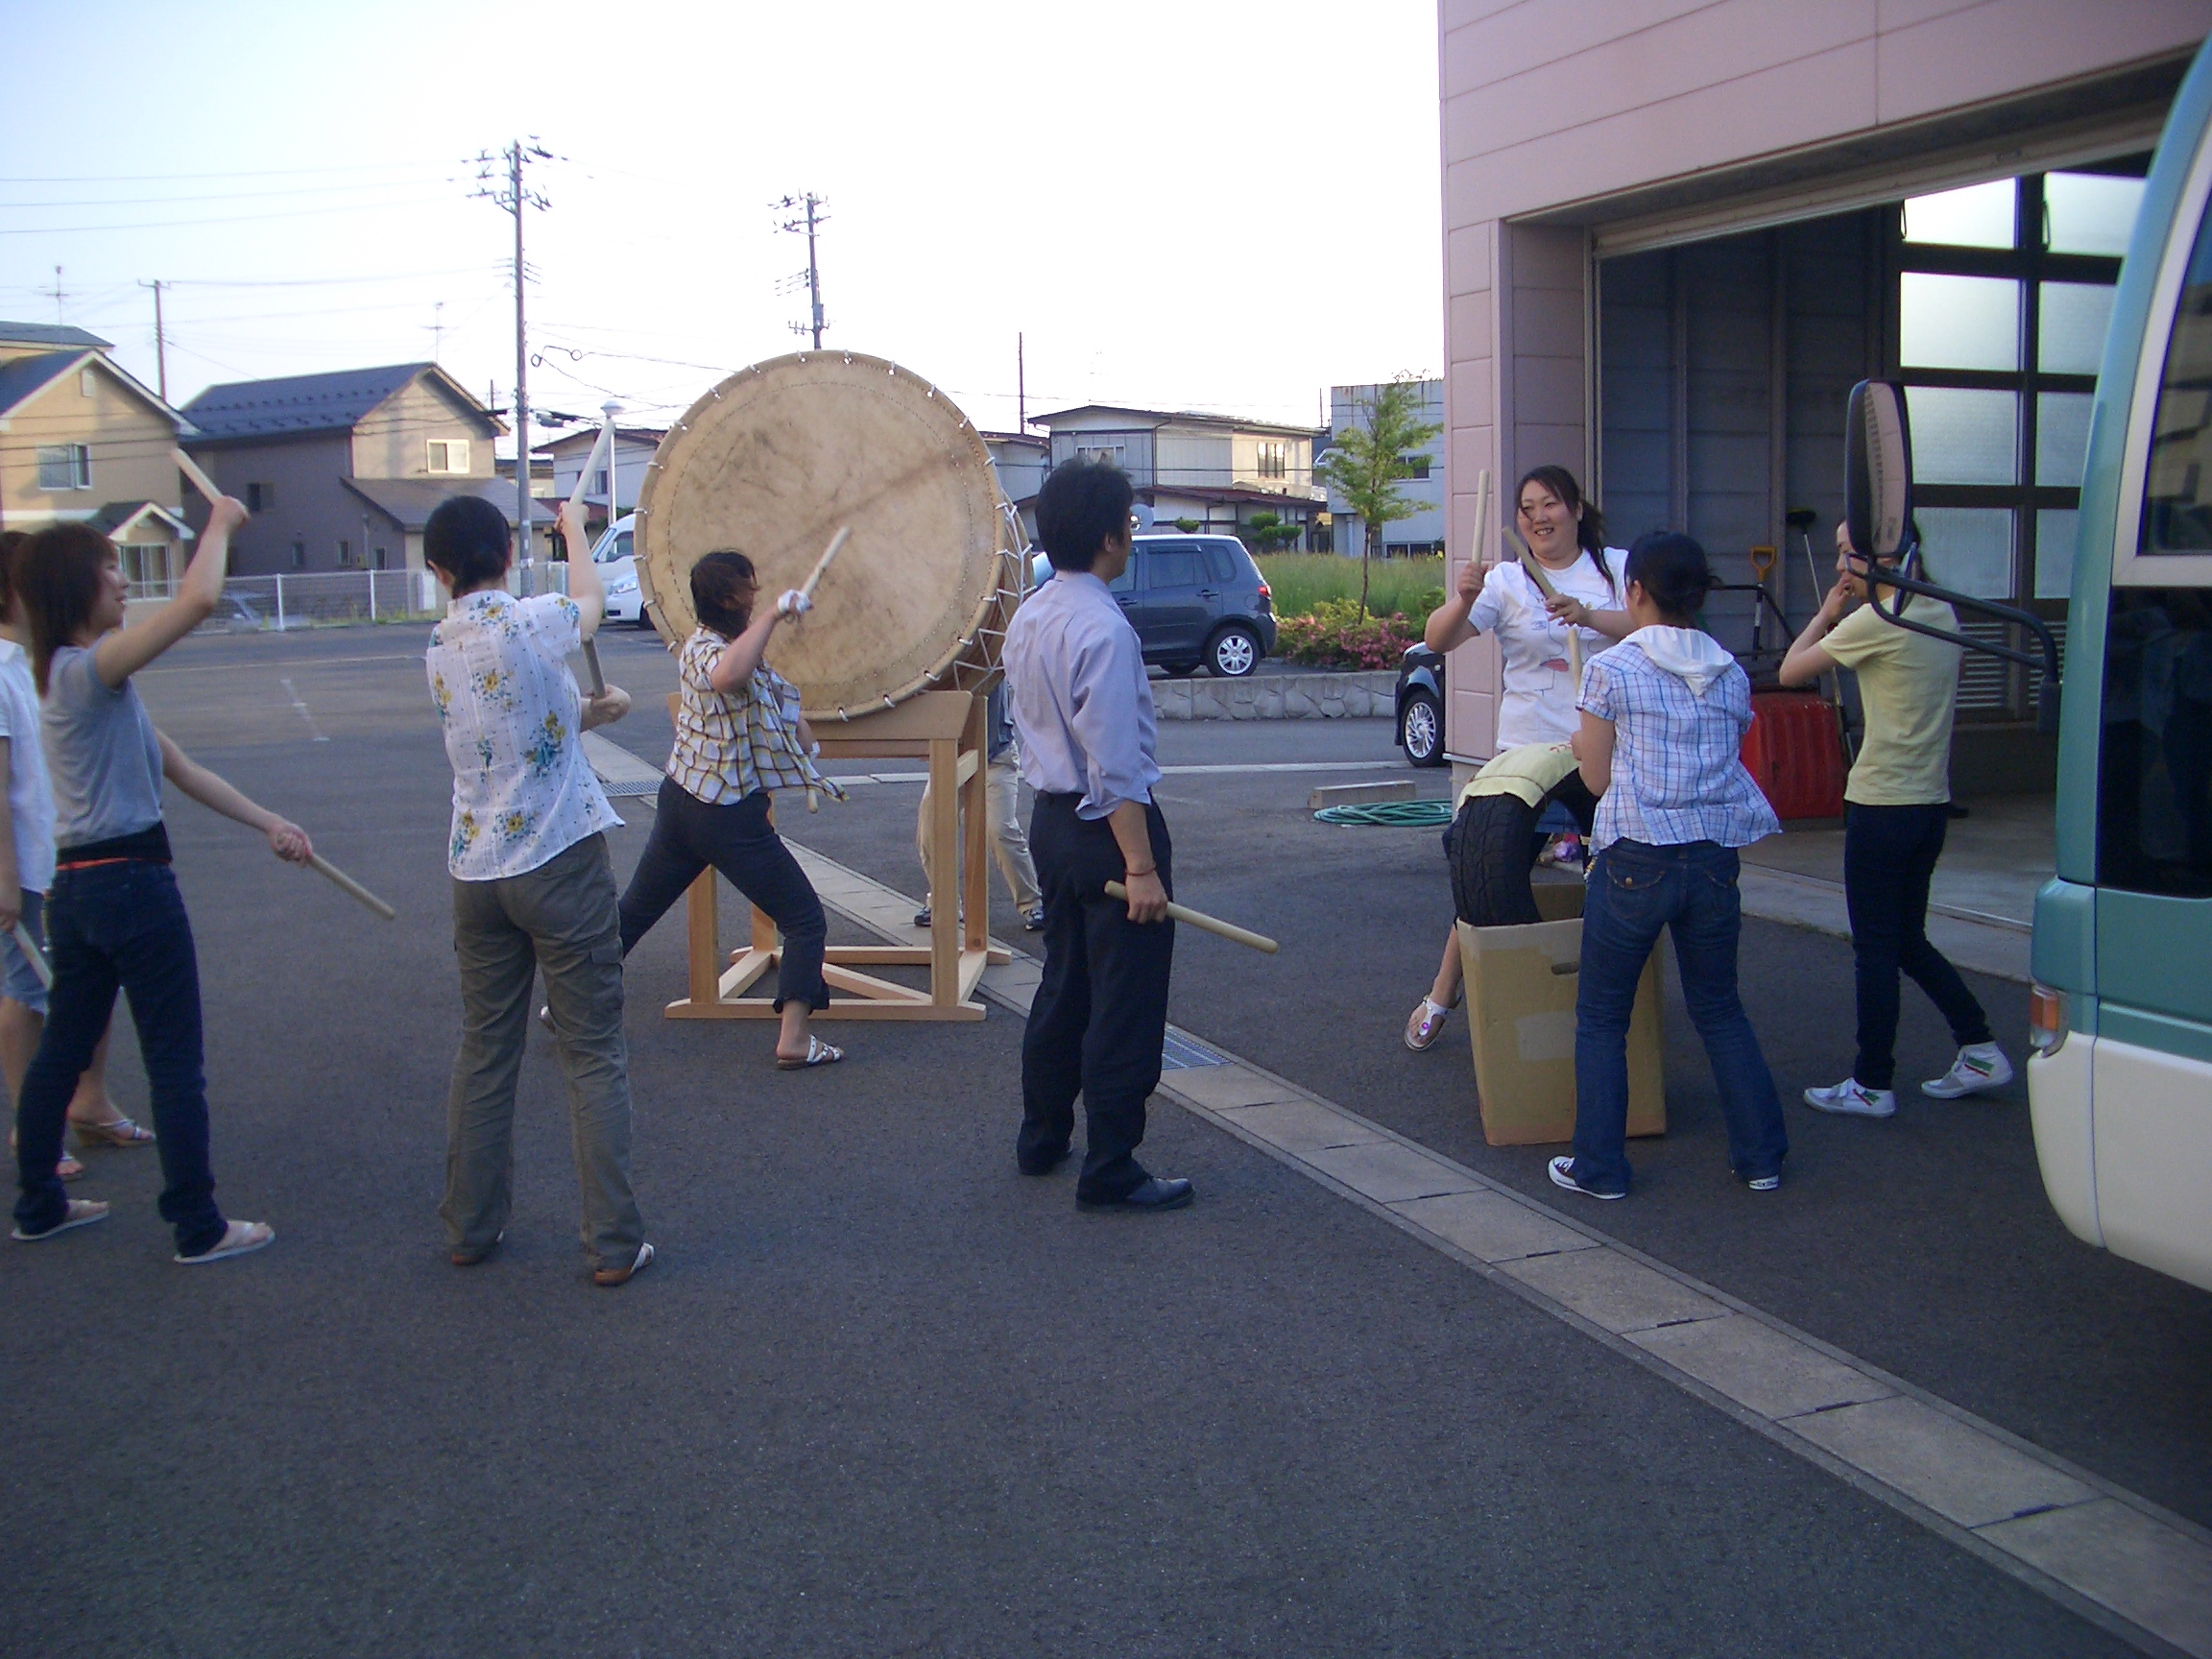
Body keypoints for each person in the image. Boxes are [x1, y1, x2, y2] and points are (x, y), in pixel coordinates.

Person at [11, 506, 311, 1261]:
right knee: (174, 1061)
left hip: (79, 891)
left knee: (62, 1053)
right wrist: (219, 523)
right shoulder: (86, 672)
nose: (120, 579)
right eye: (107, 568)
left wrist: (270, 821)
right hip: (131, 885)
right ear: (74, 588)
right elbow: (197, 603)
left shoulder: (70, 681)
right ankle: (198, 1225)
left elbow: (181, 768)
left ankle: (39, 1204)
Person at [425, 495, 653, 1286]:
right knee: (592, 1054)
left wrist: (590, 713)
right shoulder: (529, 620)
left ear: (436, 571)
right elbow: (589, 604)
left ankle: (469, 1227)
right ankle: (614, 1244)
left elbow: (515, 736)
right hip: (558, 858)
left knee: (486, 1051)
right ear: (507, 556)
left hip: (476, 869)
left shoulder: (440, 642)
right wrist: (576, 533)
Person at [1552, 531, 1788, 1201]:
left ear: (1634, 592)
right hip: (1713, 856)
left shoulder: (1613, 669)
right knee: (1719, 1009)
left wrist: (1580, 742)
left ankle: (1599, 1168)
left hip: (1637, 855)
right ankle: (1762, 1158)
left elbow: (1595, 782)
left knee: (1603, 1017)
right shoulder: (1731, 672)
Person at [1003, 460, 1191, 1212]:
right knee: (1125, 1000)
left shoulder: (1032, 613)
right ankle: (1112, 1164)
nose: (1132, 535)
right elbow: (1114, 766)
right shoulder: (1103, 627)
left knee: (1065, 984)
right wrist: (1141, 866)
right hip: (1108, 829)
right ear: (1113, 536)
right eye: (1131, 524)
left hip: (1050, 821)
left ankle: (1042, 1136)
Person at [1778, 525, 2008, 1116]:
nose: (1837, 563)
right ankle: (1978, 1044)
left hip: (1881, 804)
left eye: (1844, 552)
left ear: (1886, 556)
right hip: (1929, 804)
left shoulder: (1881, 618)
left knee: (1876, 949)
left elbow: (1791, 670)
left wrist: (1828, 611)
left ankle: (1871, 1082)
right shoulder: (1941, 611)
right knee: (1905, 939)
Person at [1407, 466, 1629, 1050]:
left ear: (1577, 509)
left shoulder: (1616, 569)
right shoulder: (1505, 581)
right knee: (1479, 868)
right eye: (1527, 508)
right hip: (1526, 754)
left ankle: (1612, 996)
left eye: (1549, 504)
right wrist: (1464, 598)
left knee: (1618, 874)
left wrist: (1589, 615)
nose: (1537, 518)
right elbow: (1438, 640)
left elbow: (1654, 626)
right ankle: (1443, 988)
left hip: (1602, 749)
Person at [613, 548, 847, 1070]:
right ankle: (794, 1038)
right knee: (805, 919)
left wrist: (805, 741)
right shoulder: (702, 649)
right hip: (723, 816)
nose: (756, 596)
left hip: (685, 805)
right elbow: (727, 678)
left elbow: (772, 696)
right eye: (749, 590)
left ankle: (567, 1005)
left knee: (634, 912)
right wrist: (773, 616)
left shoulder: (738, 648)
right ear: (727, 598)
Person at [0, 533, 134, 1184]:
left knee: (86, 987)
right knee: (26, 1000)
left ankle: (88, 1100)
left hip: (63, 855)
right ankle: (36, 1130)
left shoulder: (35, 663)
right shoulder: (2, 669)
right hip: (23, 866)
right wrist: (3, 877)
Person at [912, 684, 1044, 933]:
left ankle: (1032, 903)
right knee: (930, 830)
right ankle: (943, 902)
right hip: (949, 755)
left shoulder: (988, 655)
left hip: (996, 757)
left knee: (1000, 830)